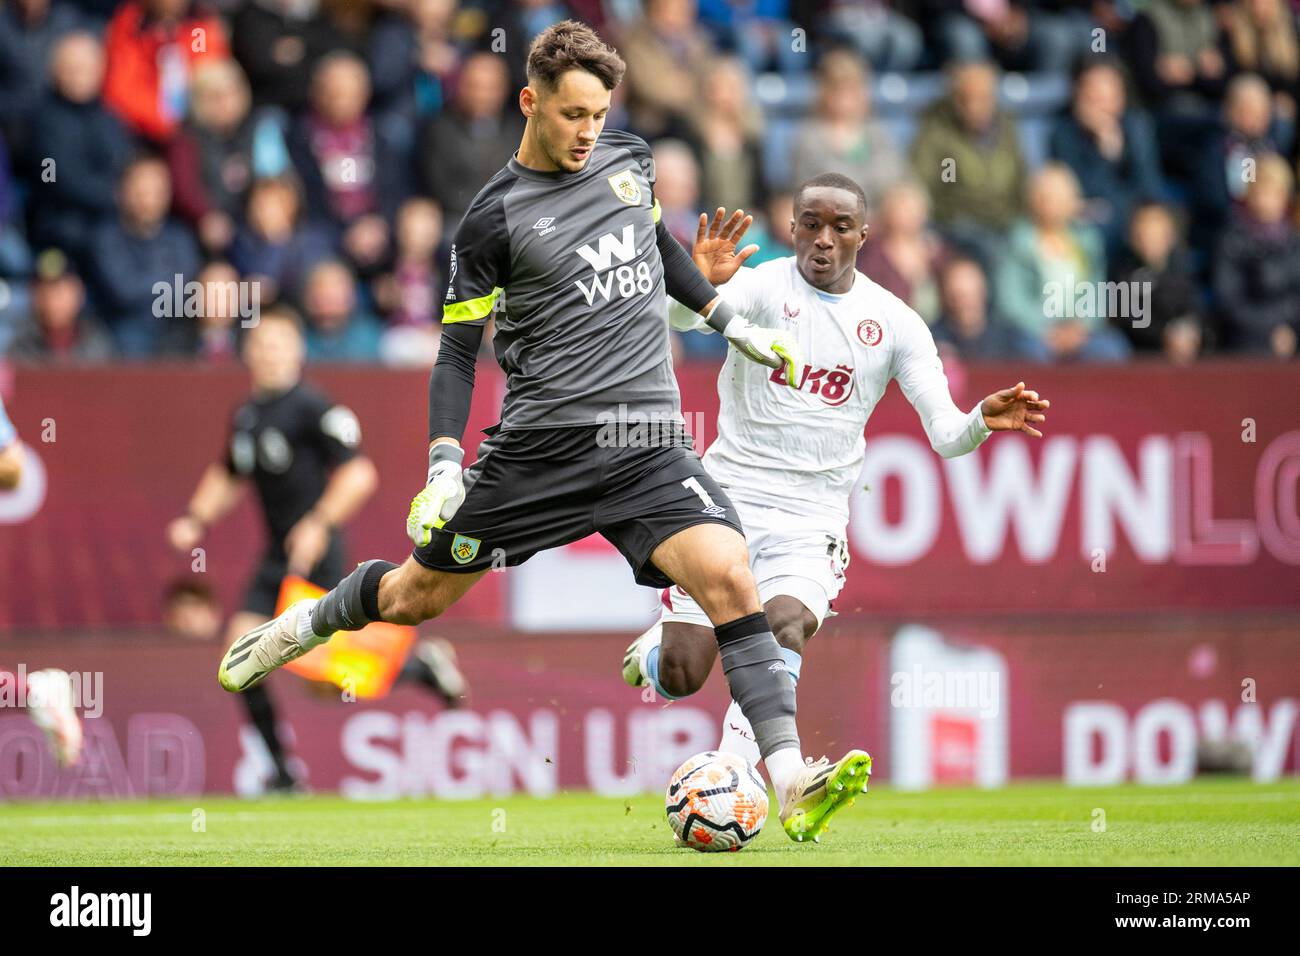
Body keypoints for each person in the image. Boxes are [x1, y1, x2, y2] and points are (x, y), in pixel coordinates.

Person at [219, 20, 871, 844]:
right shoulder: (490, 221)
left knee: (732, 576)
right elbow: (457, 352)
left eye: (598, 113)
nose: (587, 131)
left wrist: (721, 316)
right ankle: (303, 627)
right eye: (571, 114)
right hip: (540, 454)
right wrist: (446, 462)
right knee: (414, 598)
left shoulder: (630, 162)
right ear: (530, 102)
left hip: (646, 444)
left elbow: (659, 246)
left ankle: (787, 781)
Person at [622, 177, 1049, 773]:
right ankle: (657, 657)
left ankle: (733, 773)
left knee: (785, 625)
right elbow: (680, 322)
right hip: (726, 500)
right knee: (682, 672)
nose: (824, 240)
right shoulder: (762, 285)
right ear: (792, 228)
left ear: (863, 236)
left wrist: (980, 419)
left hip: (811, 517)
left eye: (840, 227)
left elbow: (947, 435)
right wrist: (698, 286)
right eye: (811, 224)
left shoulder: (896, 323)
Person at [169, 308, 469, 791]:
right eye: (262, 345)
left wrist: (317, 523)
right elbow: (228, 472)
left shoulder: (312, 406)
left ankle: (418, 668)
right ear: (248, 353)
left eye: (279, 344)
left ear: (297, 350)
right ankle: (284, 774)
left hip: (318, 551)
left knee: (327, 681)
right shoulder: (247, 414)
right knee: (238, 652)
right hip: (277, 555)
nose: (269, 354)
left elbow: (359, 473)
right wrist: (195, 518)